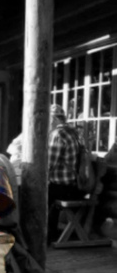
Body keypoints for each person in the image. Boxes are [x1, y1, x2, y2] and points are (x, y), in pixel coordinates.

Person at [47, 104, 85, 244]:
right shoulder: (73, 132)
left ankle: (45, 236)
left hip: (62, 187)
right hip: (73, 185)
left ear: (53, 119)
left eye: (48, 119)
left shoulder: (58, 135)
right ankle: (50, 233)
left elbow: (49, 164)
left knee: (37, 196)